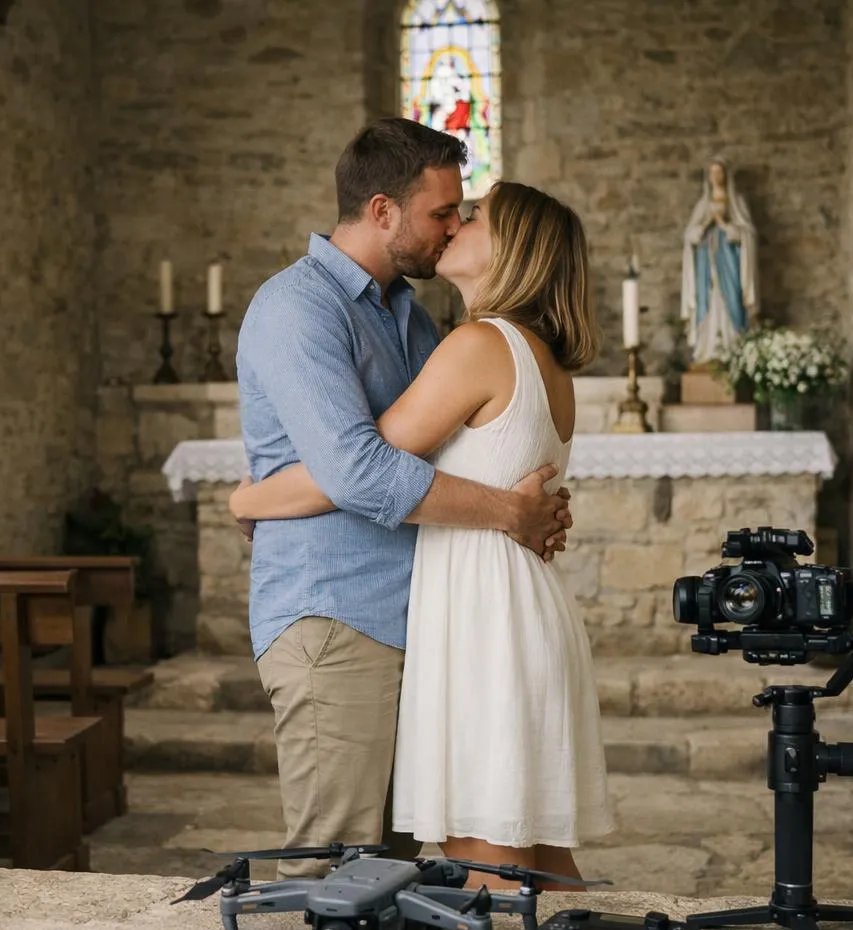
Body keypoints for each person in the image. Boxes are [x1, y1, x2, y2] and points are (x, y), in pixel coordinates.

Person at [232, 178, 615, 888]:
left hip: (483, 616)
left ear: (513, 250)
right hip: (518, 603)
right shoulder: (540, 357)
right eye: (450, 212)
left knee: (490, 863)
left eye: (475, 217)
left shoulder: (476, 345)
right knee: (543, 860)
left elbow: (358, 468)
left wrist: (249, 497)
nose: (456, 224)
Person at [681, 157, 759, 366]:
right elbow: (690, 236)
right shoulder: (703, 205)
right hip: (706, 264)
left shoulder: (736, 202)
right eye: (712, 172)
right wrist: (707, 222)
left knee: (732, 297)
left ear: (726, 175)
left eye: (719, 172)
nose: (716, 176)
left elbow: (747, 234)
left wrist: (724, 224)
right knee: (706, 300)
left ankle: (734, 348)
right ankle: (706, 349)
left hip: (730, 261)